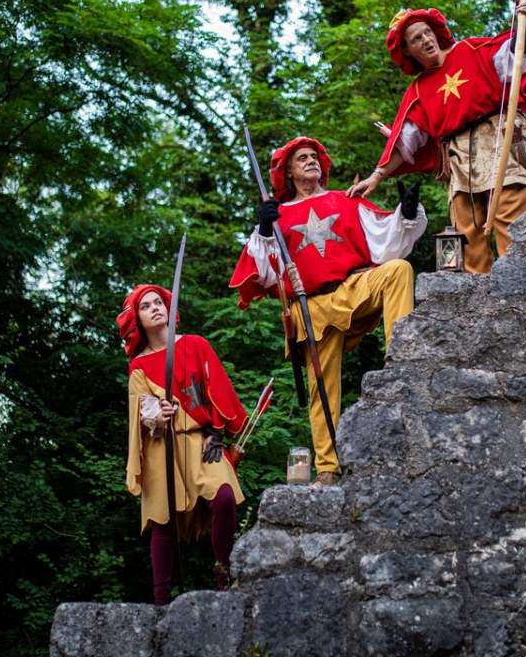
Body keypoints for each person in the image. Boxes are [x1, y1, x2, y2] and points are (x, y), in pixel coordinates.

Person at [230, 136, 425, 485]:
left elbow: (385, 240)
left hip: (352, 286)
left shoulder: (343, 200)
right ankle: (327, 468)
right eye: (301, 159)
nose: (310, 161)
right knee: (322, 389)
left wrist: (407, 214)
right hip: (311, 305)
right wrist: (263, 228)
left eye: (313, 156)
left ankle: (402, 360)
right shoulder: (278, 216)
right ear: (288, 172)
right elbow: (260, 271)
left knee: (398, 270)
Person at [347, 2, 526, 274]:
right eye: (416, 39)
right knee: (467, 235)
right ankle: (477, 306)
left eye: (427, 32)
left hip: (498, 140)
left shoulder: (470, 50)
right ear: (407, 51)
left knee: (512, 222)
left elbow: (513, 56)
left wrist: (525, 23)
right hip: (458, 158)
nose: (426, 40)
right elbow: (405, 141)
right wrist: (377, 175)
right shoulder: (418, 89)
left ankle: (525, 286)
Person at [118, 284, 248, 605]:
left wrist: (216, 434)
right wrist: (156, 413)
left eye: (159, 302)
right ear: (138, 319)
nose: (156, 308)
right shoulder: (139, 366)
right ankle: (161, 603)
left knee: (224, 498)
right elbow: (141, 409)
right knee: (163, 521)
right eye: (146, 306)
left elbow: (216, 388)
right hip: (163, 446)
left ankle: (224, 575)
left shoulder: (195, 345)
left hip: (202, 440)